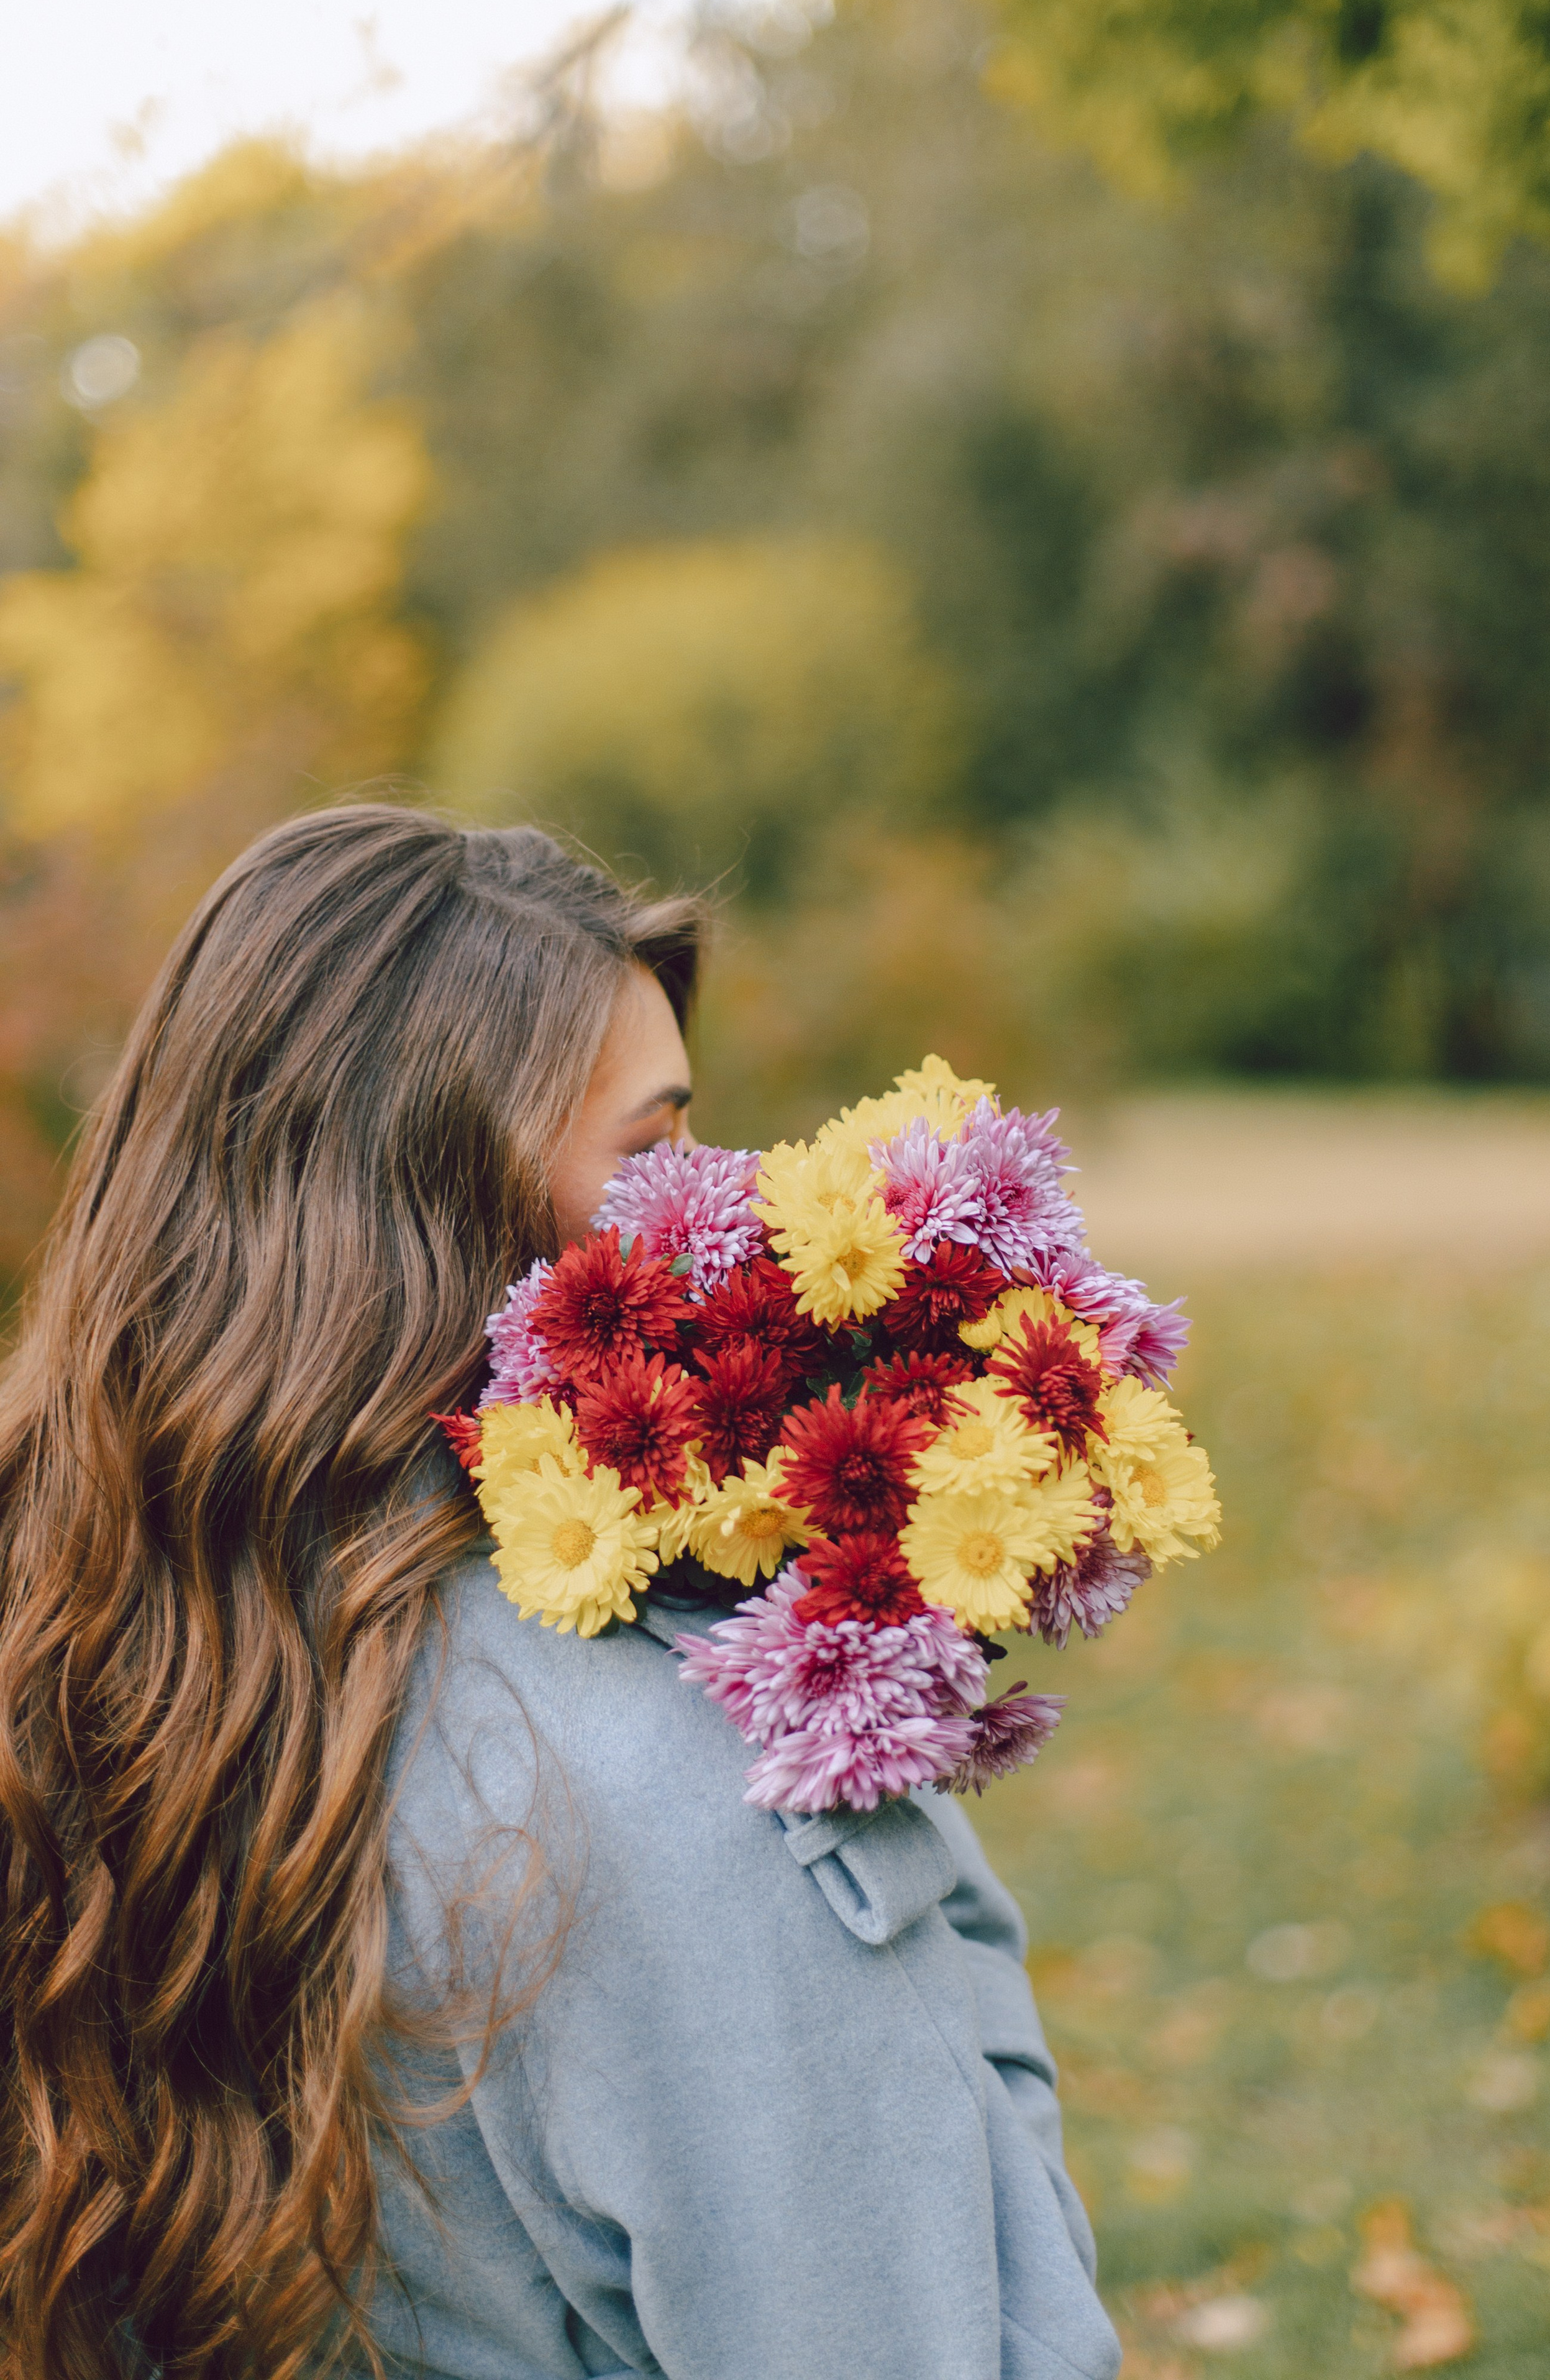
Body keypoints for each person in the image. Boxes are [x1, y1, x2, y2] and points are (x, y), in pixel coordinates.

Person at [0, 804, 1121, 2380]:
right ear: (439, 1205)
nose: (731, 1206)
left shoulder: (95, 1633)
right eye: (654, 1150)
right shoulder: (659, 1791)